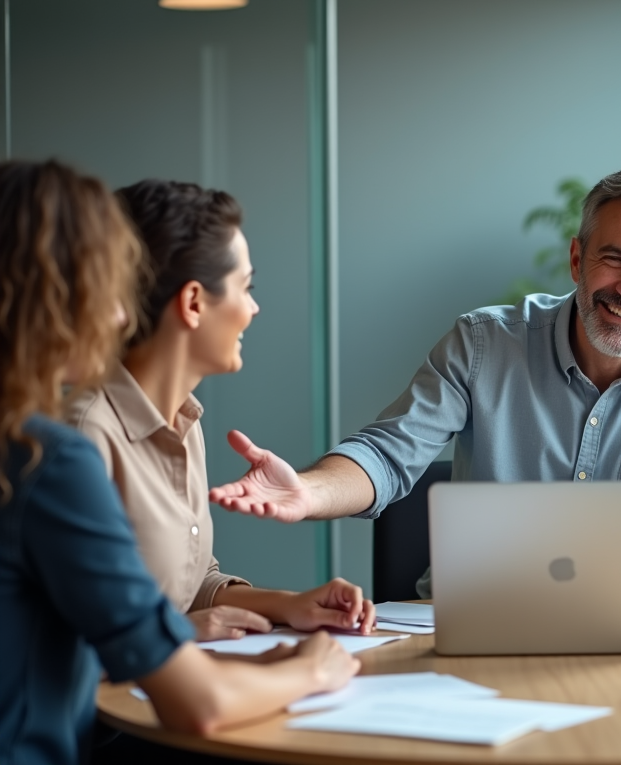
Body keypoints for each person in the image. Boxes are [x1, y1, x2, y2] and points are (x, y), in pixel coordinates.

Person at [210, 166, 621, 602]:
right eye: (613, 259)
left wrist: (607, 592)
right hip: (470, 620)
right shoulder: (483, 344)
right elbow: (388, 453)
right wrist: (307, 492)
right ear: (576, 260)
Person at [0, 160, 359, 765]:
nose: (119, 316)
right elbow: (197, 703)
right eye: (105, 287)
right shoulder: (54, 454)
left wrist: (281, 608)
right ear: (55, 298)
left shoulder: (46, 444)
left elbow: (173, 586)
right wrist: (310, 670)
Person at [64, 179, 375, 642]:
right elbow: (65, 636)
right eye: (244, 287)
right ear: (193, 303)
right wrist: (181, 632)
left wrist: (290, 604)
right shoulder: (84, 436)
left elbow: (186, 584)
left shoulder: (183, 421)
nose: (253, 308)